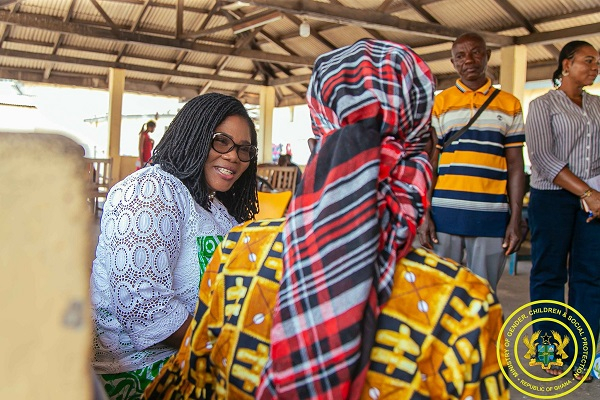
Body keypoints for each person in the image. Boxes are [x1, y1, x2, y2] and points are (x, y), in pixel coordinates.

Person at [142, 39, 508, 400]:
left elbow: (189, 383)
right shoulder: (463, 306)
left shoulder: (239, 253)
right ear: (427, 150)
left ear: (316, 145)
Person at [90, 93, 259, 399]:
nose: (234, 156)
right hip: (140, 371)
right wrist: (232, 349)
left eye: (244, 149)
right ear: (192, 136)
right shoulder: (150, 190)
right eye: (221, 141)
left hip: (199, 352)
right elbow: (144, 307)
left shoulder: (215, 209)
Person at [418, 32, 526, 291]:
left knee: (483, 295)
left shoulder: (509, 105)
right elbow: (430, 162)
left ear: (488, 56)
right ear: (453, 63)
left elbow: (515, 166)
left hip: (491, 216)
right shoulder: (440, 103)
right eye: (460, 56)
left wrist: (515, 219)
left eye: (476, 52)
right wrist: (424, 213)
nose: (469, 60)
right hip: (444, 214)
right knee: (441, 293)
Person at [526, 40, 600, 381]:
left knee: (589, 277)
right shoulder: (543, 105)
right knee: (549, 274)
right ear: (566, 65)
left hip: (594, 200)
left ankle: (582, 357)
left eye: (597, 62)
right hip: (553, 199)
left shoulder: (598, 106)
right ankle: (548, 354)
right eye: (588, 60)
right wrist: (587, 191)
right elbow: (542, 158)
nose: (595, 66)